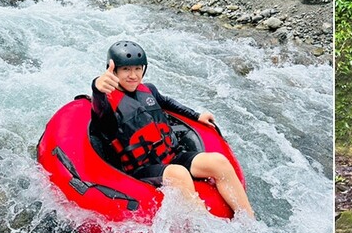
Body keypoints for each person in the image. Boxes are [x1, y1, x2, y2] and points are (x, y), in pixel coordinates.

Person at [90, 40, 255, 219]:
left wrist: (196, 115)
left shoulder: (149, 90)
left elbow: (168, 102)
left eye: (138, 69)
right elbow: (98, 107)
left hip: (171, 155)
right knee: (179, 174)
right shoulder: (106, 105)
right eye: (126, 70)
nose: (133, 75)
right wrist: (97, 87)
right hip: (141, 169)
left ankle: (250, 223)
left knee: (219, 162)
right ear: (113, 71)